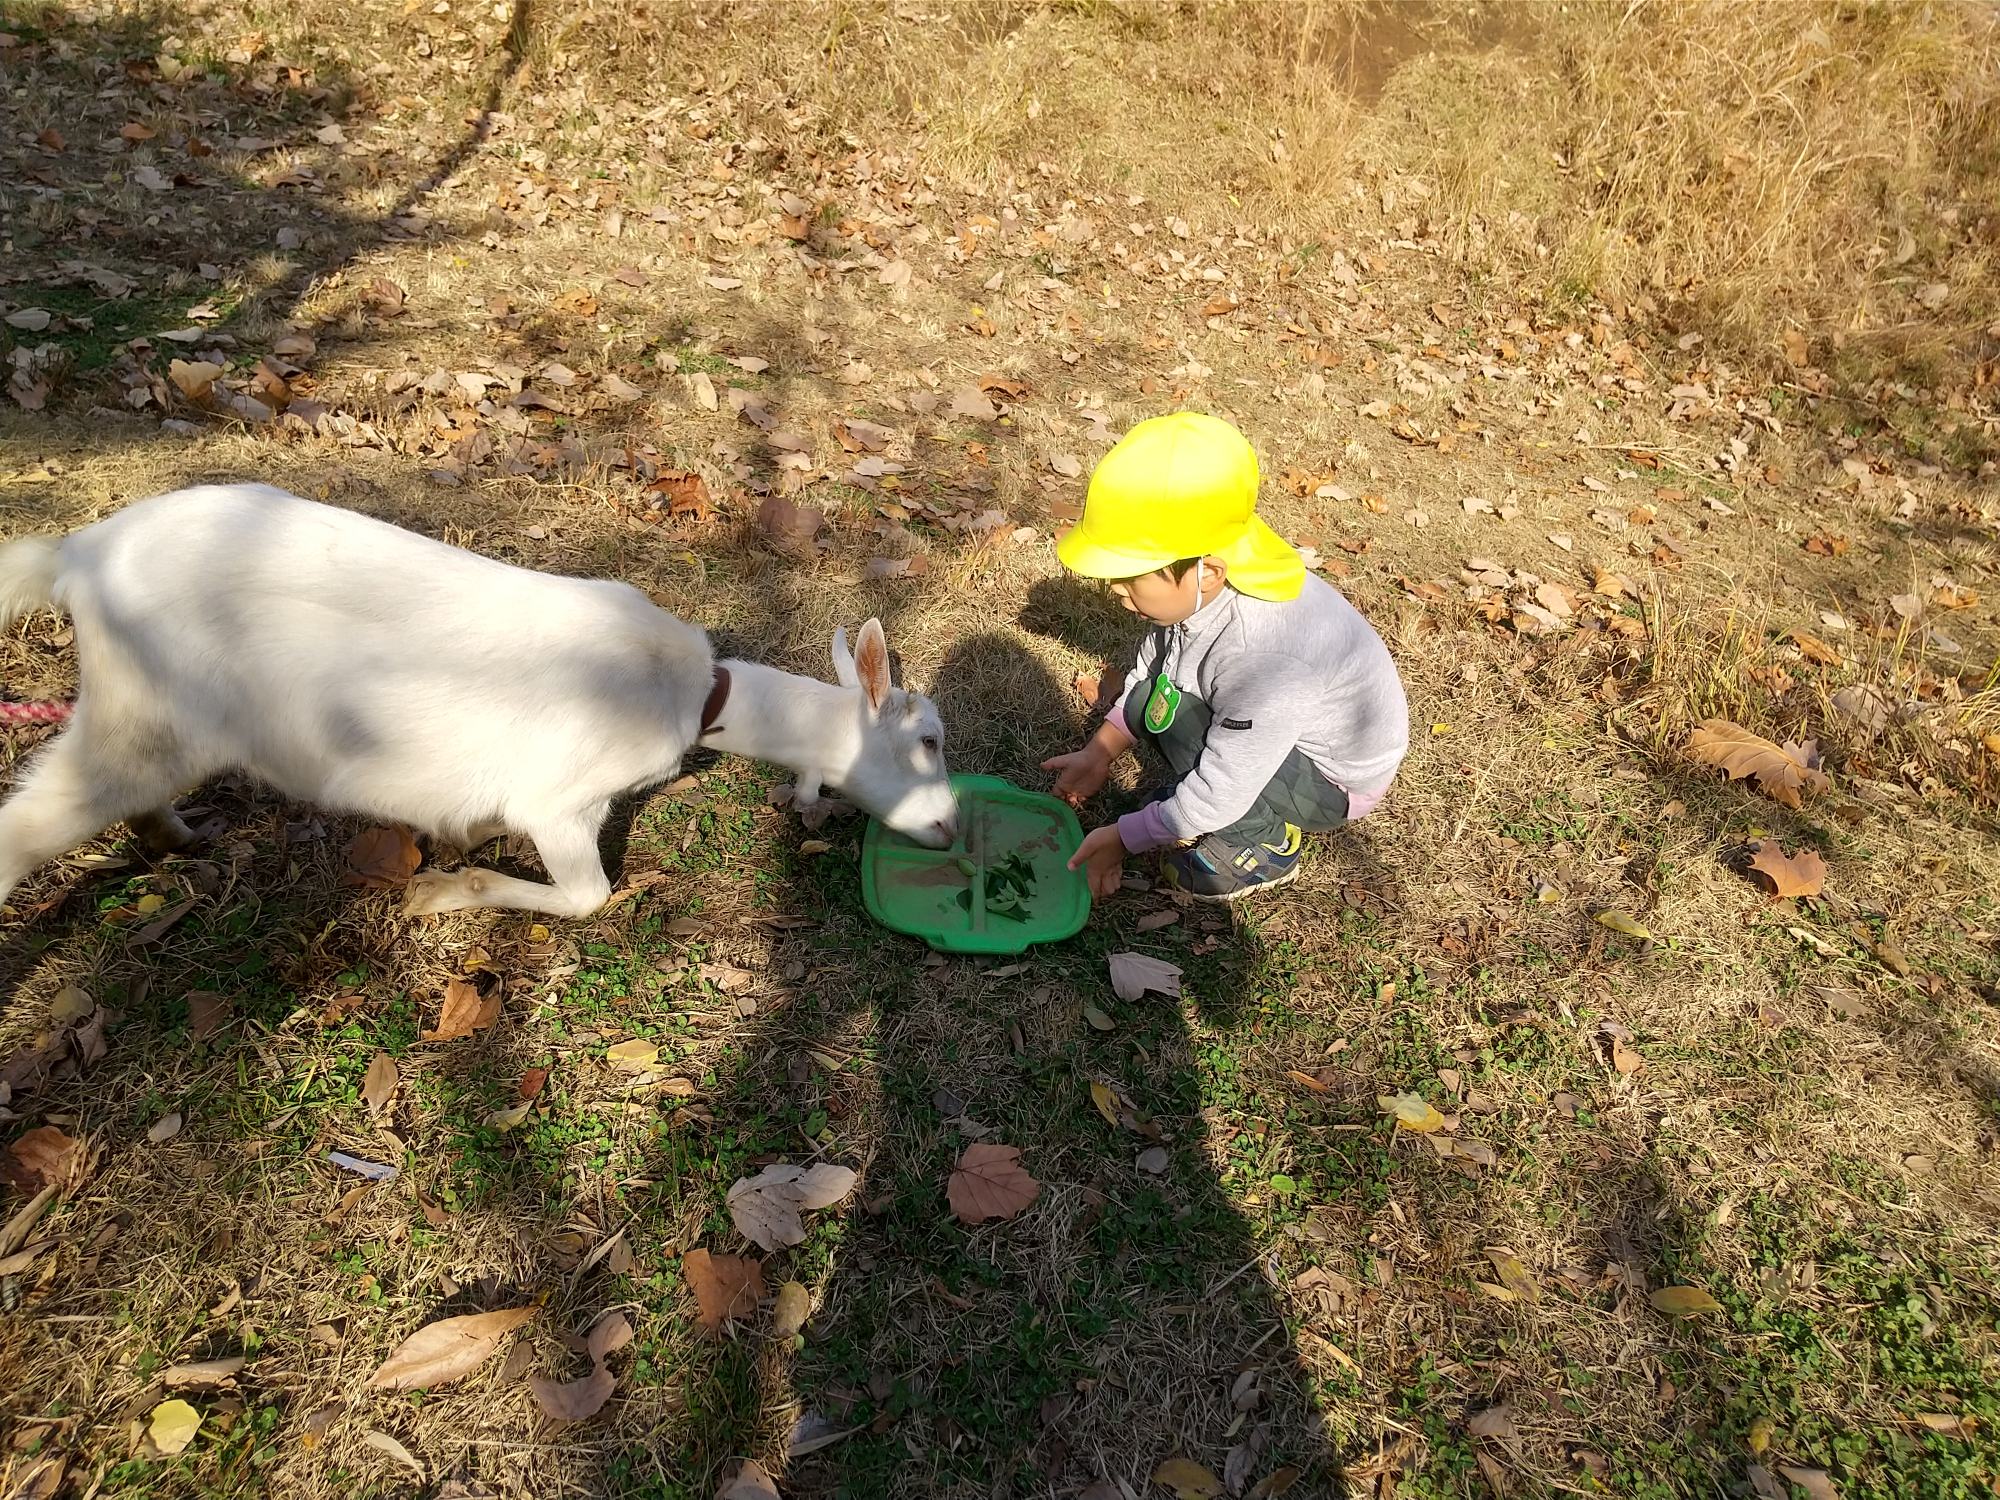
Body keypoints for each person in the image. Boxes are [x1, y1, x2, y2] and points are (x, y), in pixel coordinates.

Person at [1042, 412, 1409, 903]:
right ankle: (1198, 803)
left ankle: (1263, 838)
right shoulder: (1206, 586)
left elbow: (1225, 784)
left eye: (1131, 576)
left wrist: (1122, 839)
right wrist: (1099, 752)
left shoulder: (1263, 657)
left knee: (1180, 723)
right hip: (1270, 730)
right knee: (1152, 699)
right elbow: (1157, 669)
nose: (1114, 589)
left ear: (1207, 571)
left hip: (1328, 782)